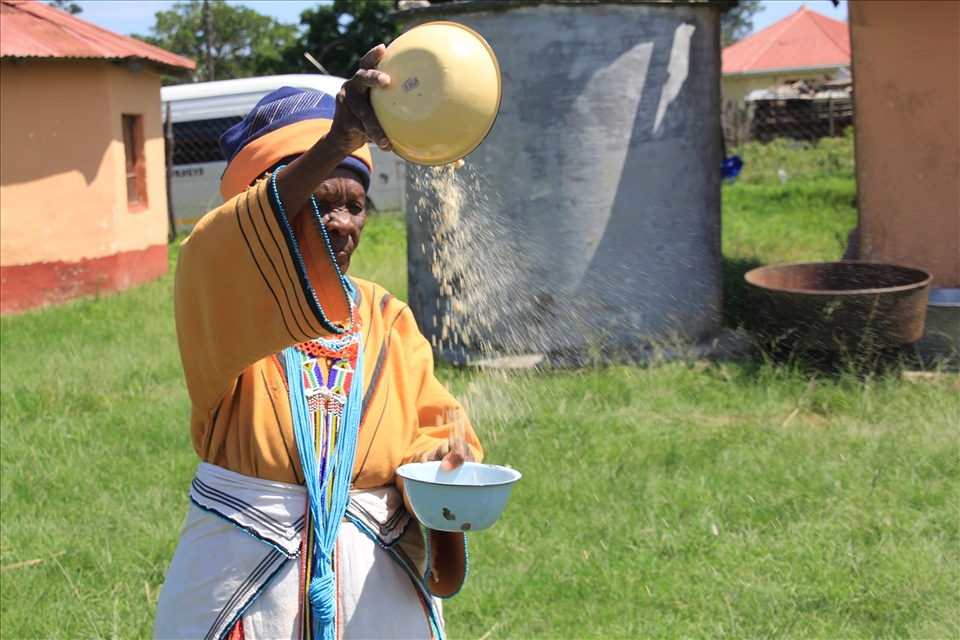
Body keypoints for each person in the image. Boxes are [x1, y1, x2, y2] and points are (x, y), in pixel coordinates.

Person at [155, 45, 483, 640]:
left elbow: (434, 429)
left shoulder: (388, 317)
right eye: (317, 203)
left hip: (373, 591)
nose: (341, 223)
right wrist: (337, 141)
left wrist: (442, 462)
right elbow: (219, 248)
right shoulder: (223, 301)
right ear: (264, 221)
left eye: (354, 206)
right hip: (244, 587)